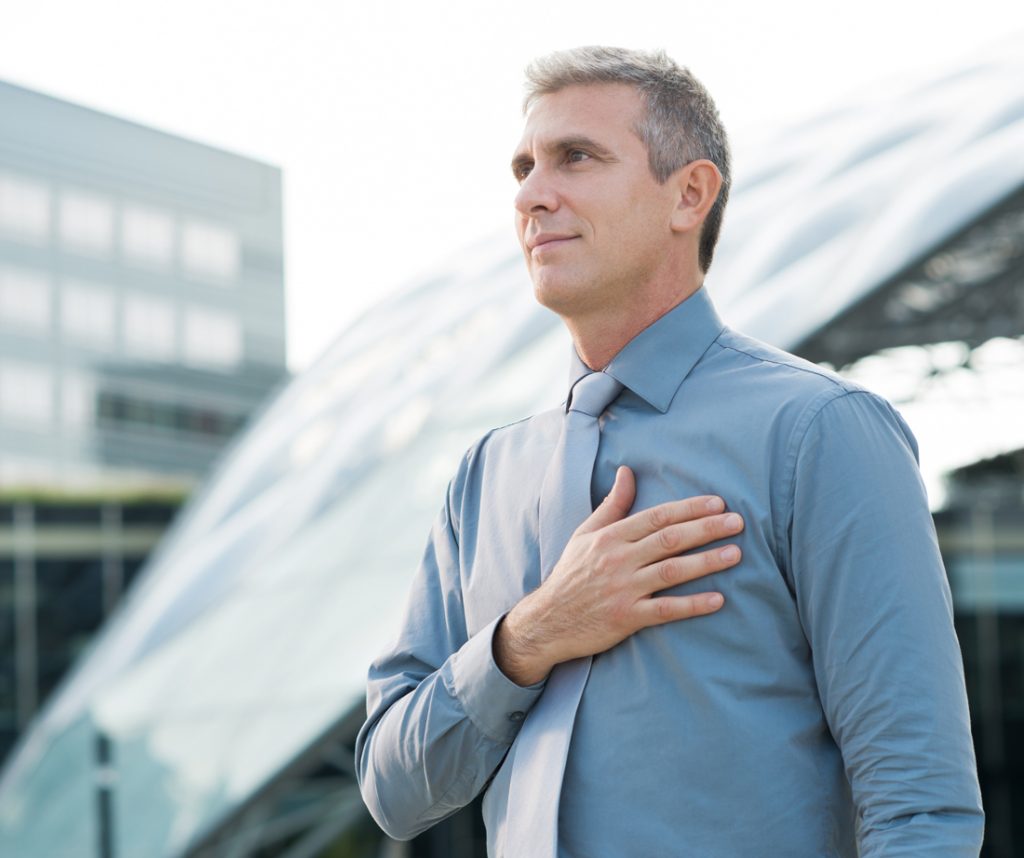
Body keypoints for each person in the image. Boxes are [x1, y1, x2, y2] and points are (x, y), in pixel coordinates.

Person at [355, 46, 984, 857]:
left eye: (576, 157)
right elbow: (390, 789)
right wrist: (527, 639)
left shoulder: (822, 432)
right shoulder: (485, 475)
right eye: (523, 166)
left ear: (689, 194)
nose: (532, 194)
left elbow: (919, 806)